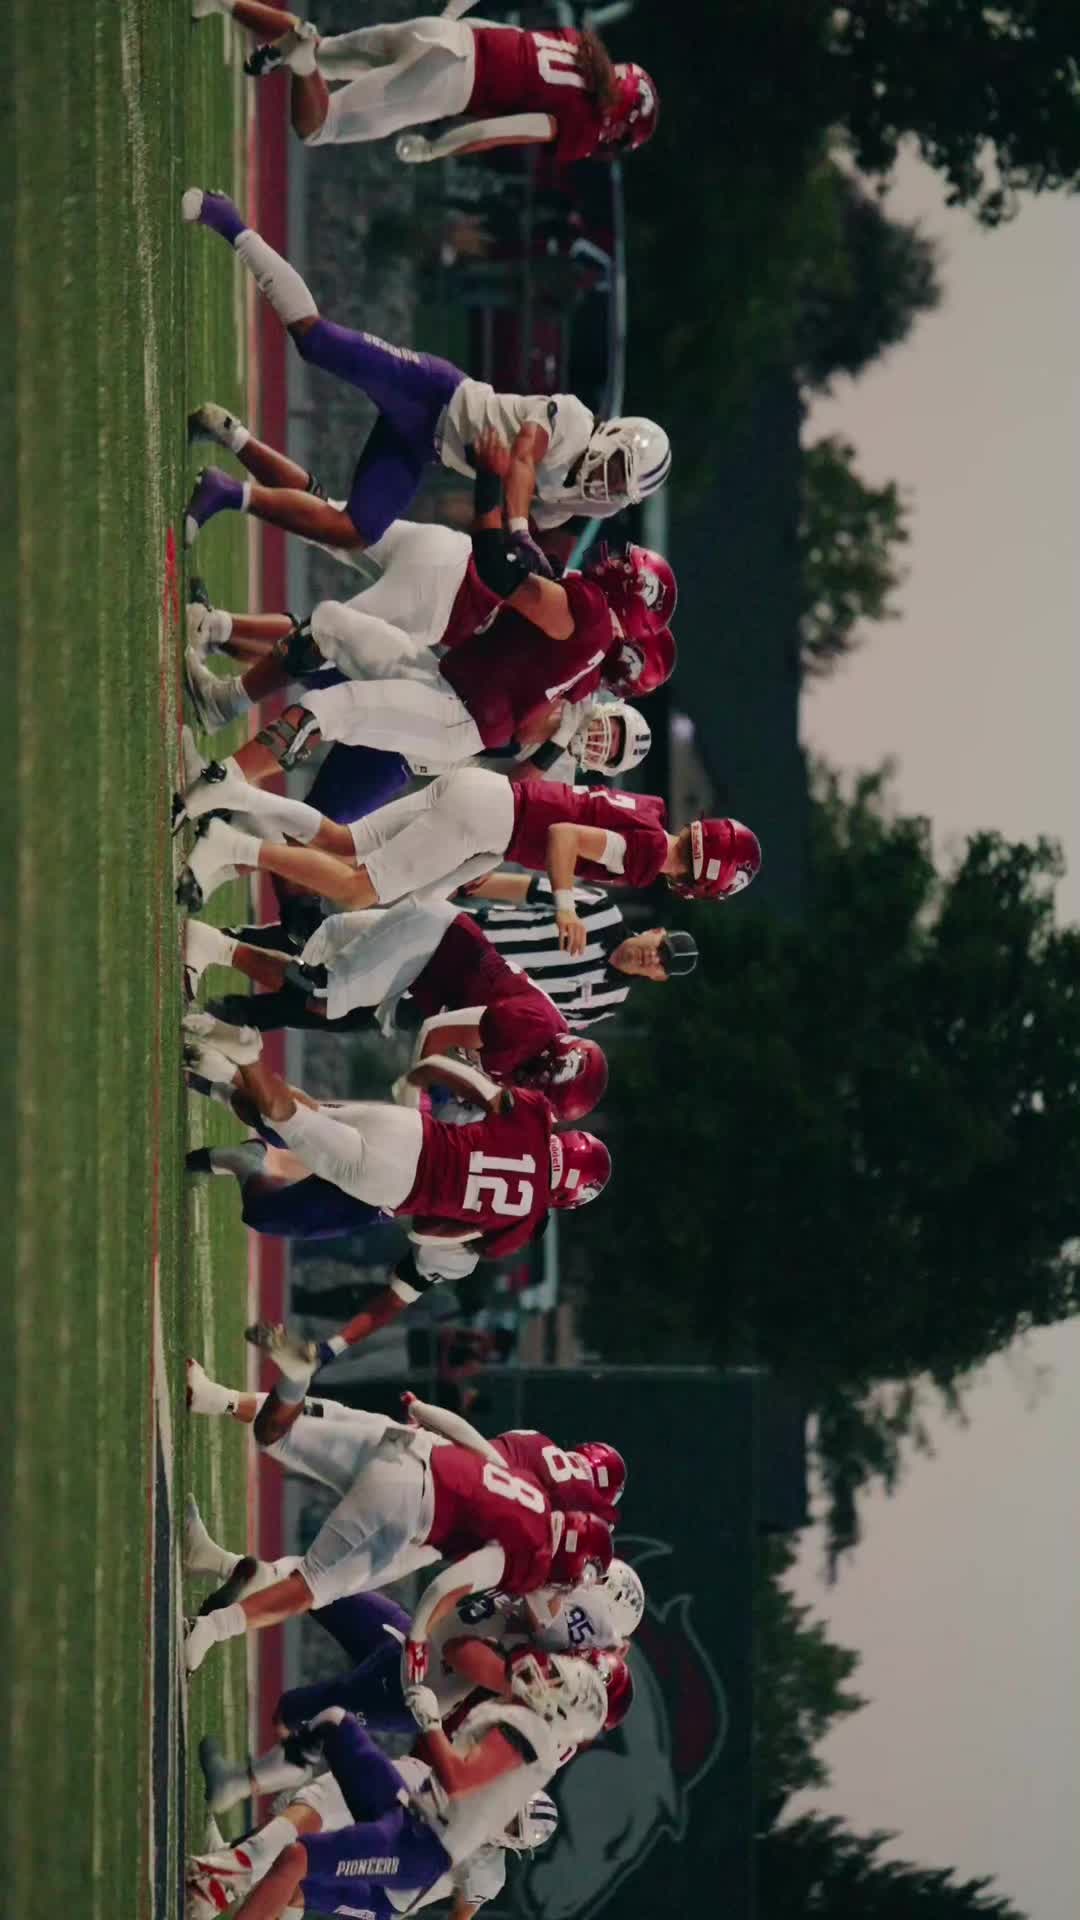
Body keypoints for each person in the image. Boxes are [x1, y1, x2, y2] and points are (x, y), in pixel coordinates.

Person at [180, 187, 671, 551]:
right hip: (433, 393)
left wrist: (513, 543)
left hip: (426, 446)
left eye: (619, 487)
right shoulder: (576, 422)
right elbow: (523, 458)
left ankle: (225, 492)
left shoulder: (586, 502)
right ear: (615, 437)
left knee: (356, 531)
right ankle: (229, 220)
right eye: (616, 469)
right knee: (315, 341)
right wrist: (520, 531)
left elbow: (513, 508)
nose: (608, 483)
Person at [181, 1020, 611, 1338]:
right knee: (288, 1122)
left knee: (298, 1121)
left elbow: (476, 1086)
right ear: (566, 1197)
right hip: (393, 1183)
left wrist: (426, 1072)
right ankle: (242, 1058)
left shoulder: (534, 1117)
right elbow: (429, 1233)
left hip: (410, 1129)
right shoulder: (521, 1224)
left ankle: (218, 1078)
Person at [182, 1379, 614, 1672]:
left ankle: (240, 1393)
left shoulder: (538, 1464)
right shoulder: (533, 1558)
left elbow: (481, 1449)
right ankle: (214, 1626)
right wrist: (418, 1638)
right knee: (316, 1585)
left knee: (291, 1428)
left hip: (421, 1447)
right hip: (419, 1516)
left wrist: (423, 1409)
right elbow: (452, 1584)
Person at [176, 767, 762, 958]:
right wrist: (564, 906)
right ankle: (230, 844)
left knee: (344, 841)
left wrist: (480, 859)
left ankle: (233, 791)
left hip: (488, 801)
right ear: (703, 882)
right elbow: (564, 836)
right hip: (490, 820)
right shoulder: (650, 855)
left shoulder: (653, 814)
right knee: (356, 889)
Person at [191, 1655, 606, 1920]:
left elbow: (457, 1780)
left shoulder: (530, 1736)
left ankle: (228, 1878)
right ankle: (246, 1799)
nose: (544, 1676)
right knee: (334, 1722)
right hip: (412, 1810)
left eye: (557, 1682)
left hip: (420, 1848)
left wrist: (430, 1723)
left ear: (563, 1710)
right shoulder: (527, 1726)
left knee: (298, 1861)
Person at [185, 896, 608, 1126]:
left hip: (421, 975)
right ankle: (213, 944)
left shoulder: (532, 1059)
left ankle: (220, 945)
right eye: (544, 1089)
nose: (534, 1093)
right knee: (322, 993)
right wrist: (415, 1097)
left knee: (318, 951)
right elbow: (438, 1032)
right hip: (430, 944)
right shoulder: (531, 1028)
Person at [192, 3, 659, 169]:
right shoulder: (582, 124)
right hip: (446, 82)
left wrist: (448, 18)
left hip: (447, 34)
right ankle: (298, 57)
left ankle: (222, 2)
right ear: (618, 123)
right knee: (320, 127)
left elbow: (504, 33)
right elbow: (495, 132)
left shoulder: (577, 46)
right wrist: (436, 149)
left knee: (325, 51)